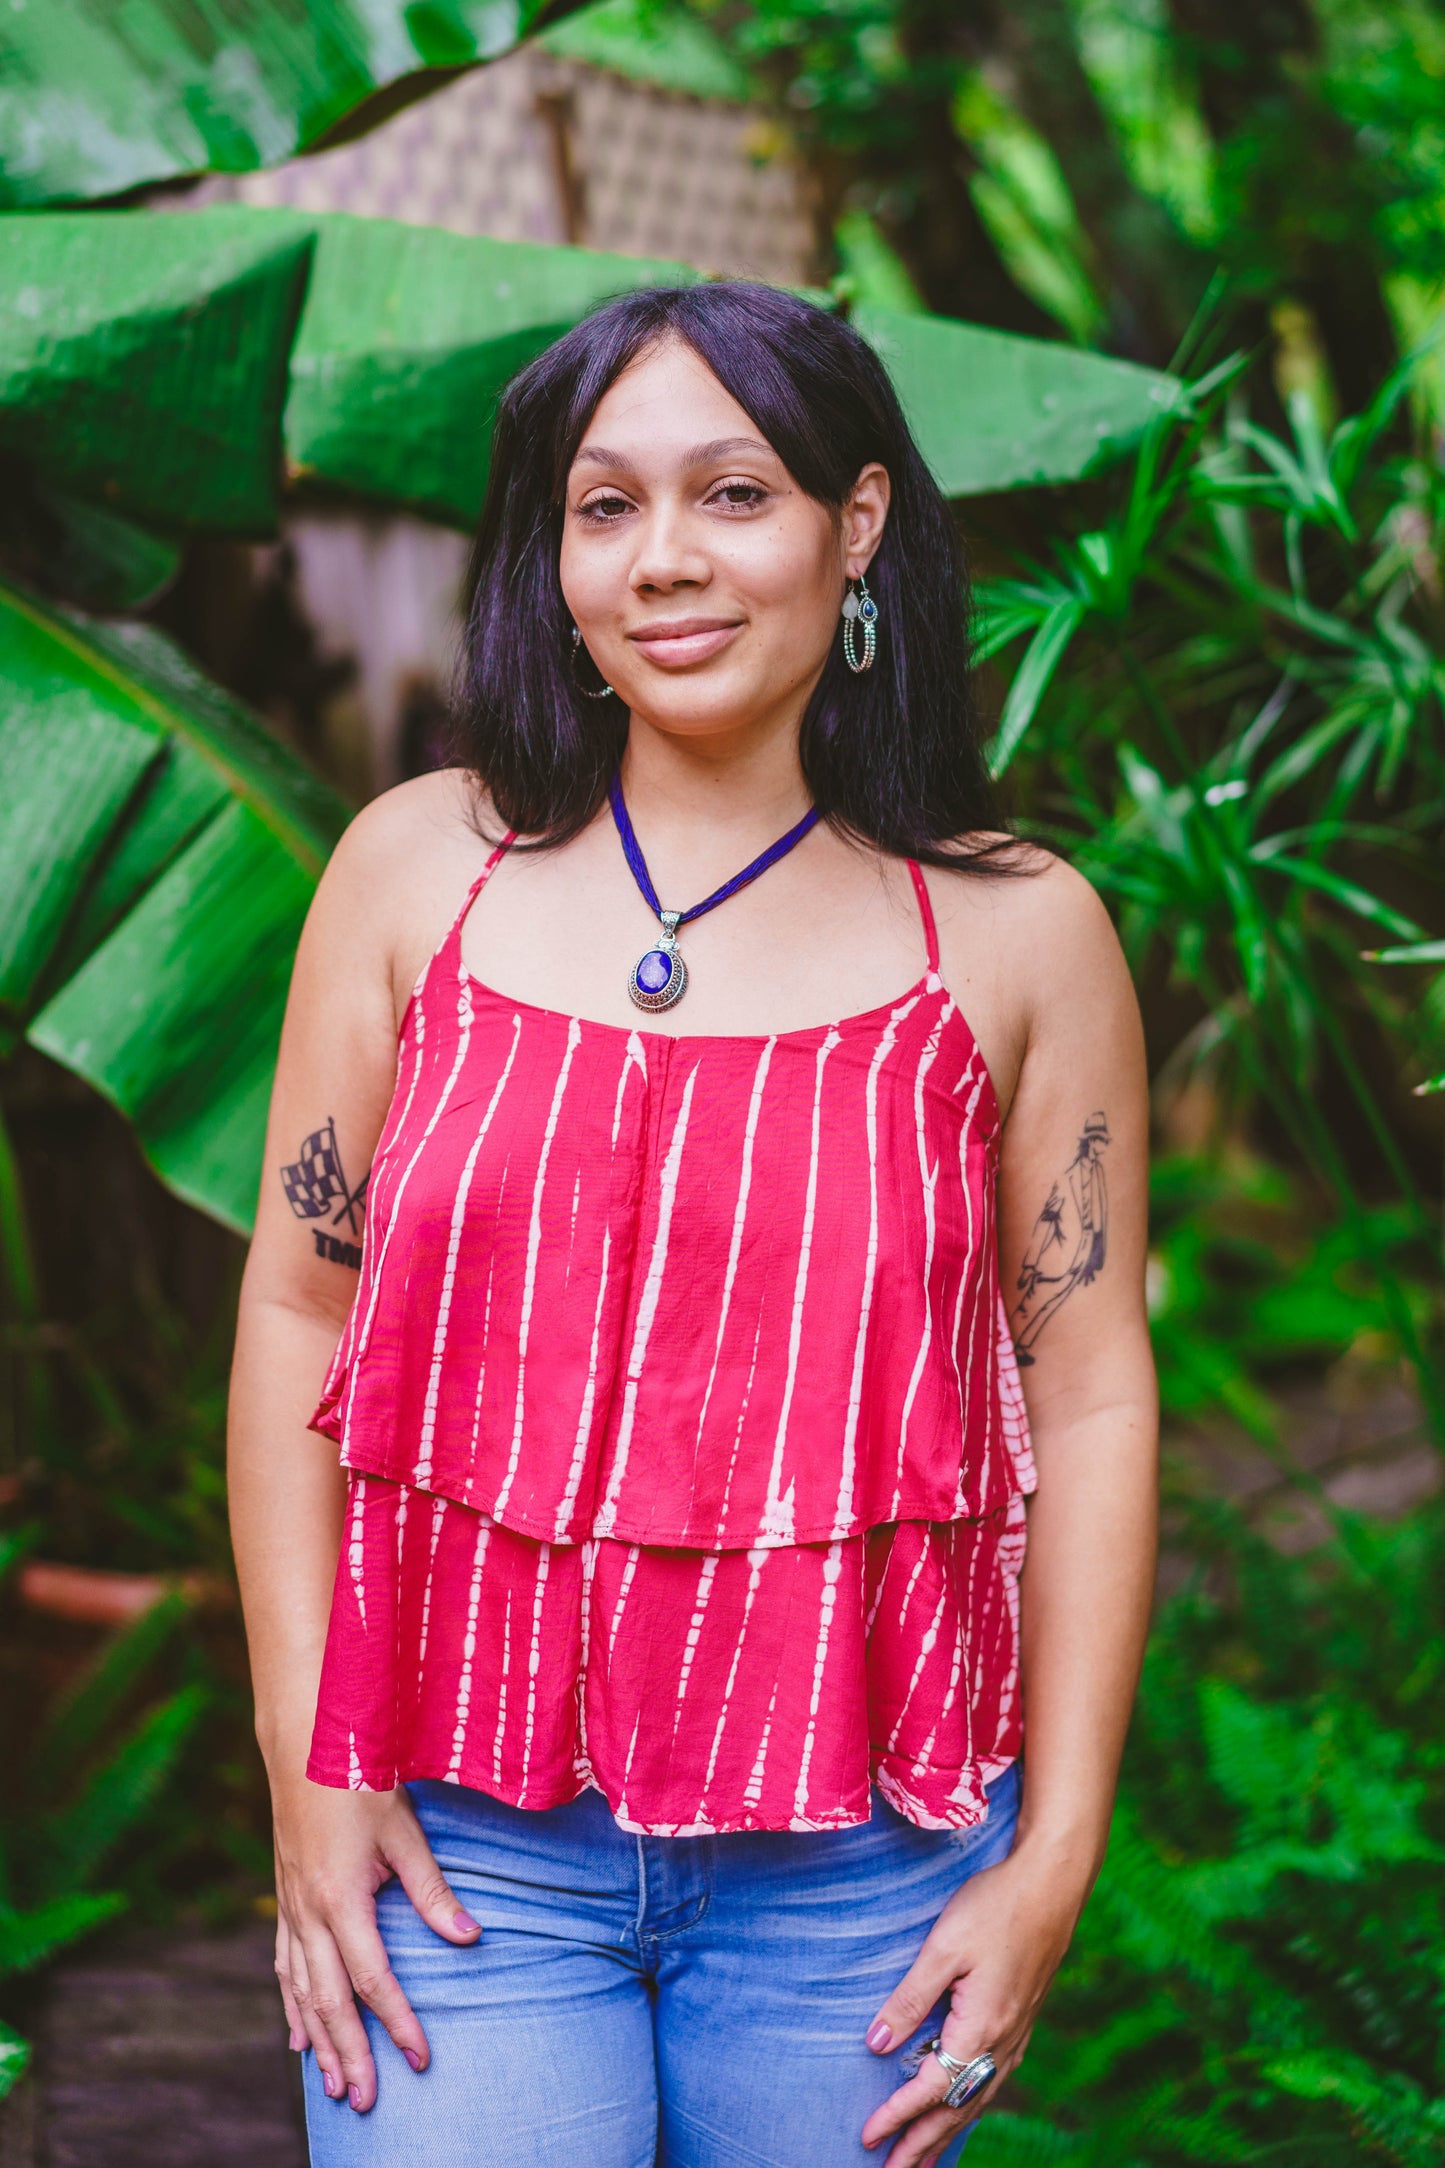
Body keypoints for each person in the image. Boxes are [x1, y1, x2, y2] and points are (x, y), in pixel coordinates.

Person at [228, 281, 1158, 2168]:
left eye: (734, 494)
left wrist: (1054, 1856)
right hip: (463, 1839)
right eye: (603, 505)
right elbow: (298, 1323)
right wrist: (300, 1774)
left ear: (858, 522)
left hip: (863, 1877)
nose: (664, 560)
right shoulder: (418, 870)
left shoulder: (1014, 931)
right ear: (550, 555)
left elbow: (1088, 1397)